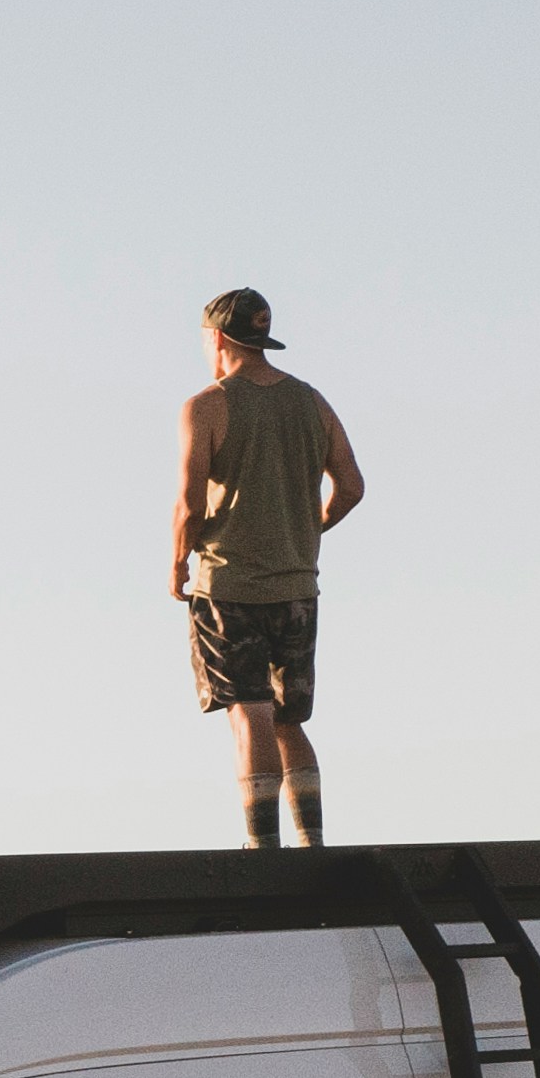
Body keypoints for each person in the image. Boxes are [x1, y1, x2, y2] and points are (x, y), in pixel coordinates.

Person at [170, 287, 363, 847]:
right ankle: (312, 842)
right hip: (298, 585)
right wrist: (306, 529)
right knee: (289, 719)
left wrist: (178, 562)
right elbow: (351, 486)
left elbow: (188, 503)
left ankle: (262, 851)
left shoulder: (206, 405)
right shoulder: (312, 402)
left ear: (218, 337)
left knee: (248, 712)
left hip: (229, 584)